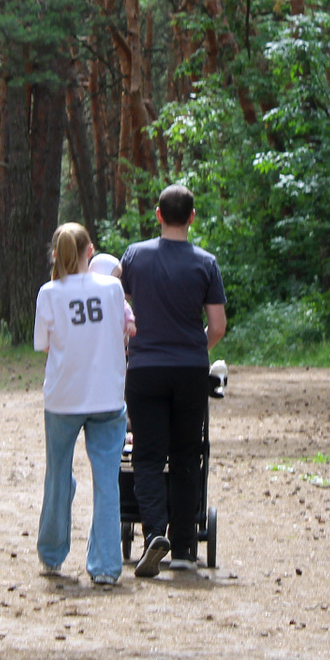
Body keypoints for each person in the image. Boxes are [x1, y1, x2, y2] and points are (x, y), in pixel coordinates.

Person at [116, 184, 227, 578]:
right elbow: (217, 325)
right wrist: (197, 345)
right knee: (185, 455)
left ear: (158, 215)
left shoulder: (135, 256)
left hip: (144, 367)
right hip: (189, 369)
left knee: (146, 456)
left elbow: (119, 303)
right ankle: (182, 547)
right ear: (192, 217)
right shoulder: (206, 263)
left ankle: (153, 536)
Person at [33, 223, 134, 586]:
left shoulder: (49, 292)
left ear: (58, 255)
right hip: (107, 394)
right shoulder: (112, 288)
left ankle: (52, 554)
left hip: (63, 396)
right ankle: (106, 566)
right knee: (107, 478)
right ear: (90, 252)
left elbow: (44, 344)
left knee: (58, 474)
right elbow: (122, 330)